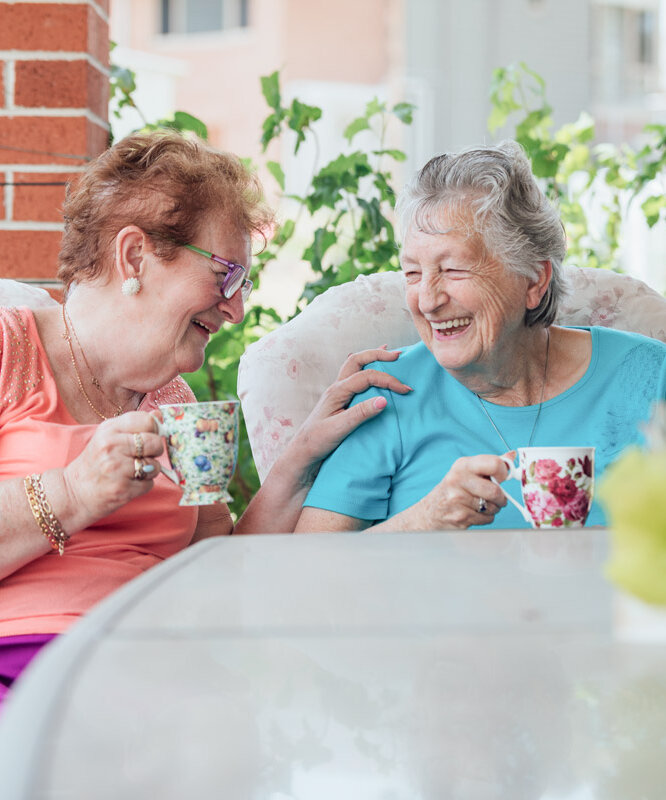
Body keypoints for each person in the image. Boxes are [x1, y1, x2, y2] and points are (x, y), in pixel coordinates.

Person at [0, 131, 409, 704]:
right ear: (135, 256)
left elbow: (222, 572)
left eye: (243, 283)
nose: (237, 309)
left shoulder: (175, 402)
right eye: (225, 274)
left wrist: (303, 453)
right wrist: (73, 490)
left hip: (162, 678)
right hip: (32, 674)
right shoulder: (9, 349)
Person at [296, 141, 666, 533]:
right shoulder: (385, 396)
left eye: (453, 269)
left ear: (534, 280)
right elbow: (311, 568)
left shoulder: (650, 377)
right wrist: (424, 520)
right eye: (413, 274)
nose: (427, 300)